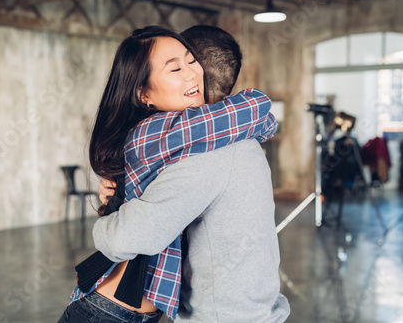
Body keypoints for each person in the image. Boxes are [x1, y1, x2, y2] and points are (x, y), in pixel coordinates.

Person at [58, 25, 282, 323]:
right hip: (107, 310)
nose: (190, 73)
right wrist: (108, 222)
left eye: (191, 61)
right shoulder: (173, 134)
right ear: (144, 93)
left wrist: (112, 212)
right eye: (175, 67)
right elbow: (255, 108)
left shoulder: (208, 142)